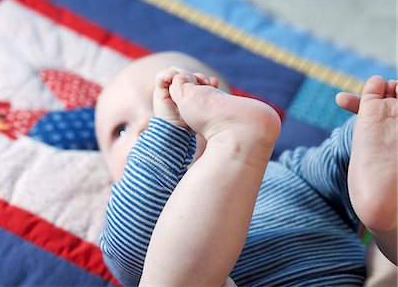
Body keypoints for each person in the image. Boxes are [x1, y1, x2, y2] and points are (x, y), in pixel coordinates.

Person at [95, 52, 397, 286]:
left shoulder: (288, 174)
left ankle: (388, 220)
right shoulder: (136, 221)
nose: (148, 123)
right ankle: (232, 146)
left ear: (224, 104)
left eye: (177, 95)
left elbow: (337, 164)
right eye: (120, 130)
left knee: (386, 258)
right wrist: (168, 131)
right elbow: (129, 250)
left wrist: (372, 125)